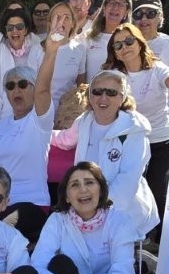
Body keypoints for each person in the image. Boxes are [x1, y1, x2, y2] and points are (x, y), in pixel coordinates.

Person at [103, 24, 169, 242]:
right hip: (129, 144)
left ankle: (159, 242)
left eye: (129, 41)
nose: (124, 47)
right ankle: (135, 239)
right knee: (132, 195)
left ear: (140, 43)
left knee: (159, 192)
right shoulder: (114, 76)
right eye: (118, 45)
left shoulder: (156, 67)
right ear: (115, 53)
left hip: (161, 142)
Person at [50, 70, 159, 238]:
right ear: (90, 96)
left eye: (111, 92)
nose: (103, 98)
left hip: (125, 215)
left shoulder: (134, 130)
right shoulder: (84, 121)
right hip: (88, 211)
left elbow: (128, 180)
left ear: (122, 98)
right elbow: (64, 139)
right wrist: (40, 134)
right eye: (97, 91)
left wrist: (97, 209)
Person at [0, 23, 66, 245]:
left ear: (33, 88)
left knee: (0, 227)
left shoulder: (39, 120)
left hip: (32, 206)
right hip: (0, 203)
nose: (16, 90)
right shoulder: (2, 124)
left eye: (23, 84)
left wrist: (51, 52)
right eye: (10, 86)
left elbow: (43, 90)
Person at [132, 0, 169, 126]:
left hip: (165, 122)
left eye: (151, 13)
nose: (144, 19)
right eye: (138, 14)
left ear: (159, 17)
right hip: (133, 121)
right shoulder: (126, 44)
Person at [43, 2, 87, 105]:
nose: (61, 21)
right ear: (50, 23)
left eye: (66, 17)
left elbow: (81, 86)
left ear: (72, 23)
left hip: (66, 110)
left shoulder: (80, 49)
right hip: (41, 109)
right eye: (57, 17)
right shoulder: (36, 49)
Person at [84, 0, 132, 80]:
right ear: (104, 8)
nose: (115, 7)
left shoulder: (132, 41)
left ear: (126, 12)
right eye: (112, 2)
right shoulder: (87, 37)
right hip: (90, 89)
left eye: (121, 4)